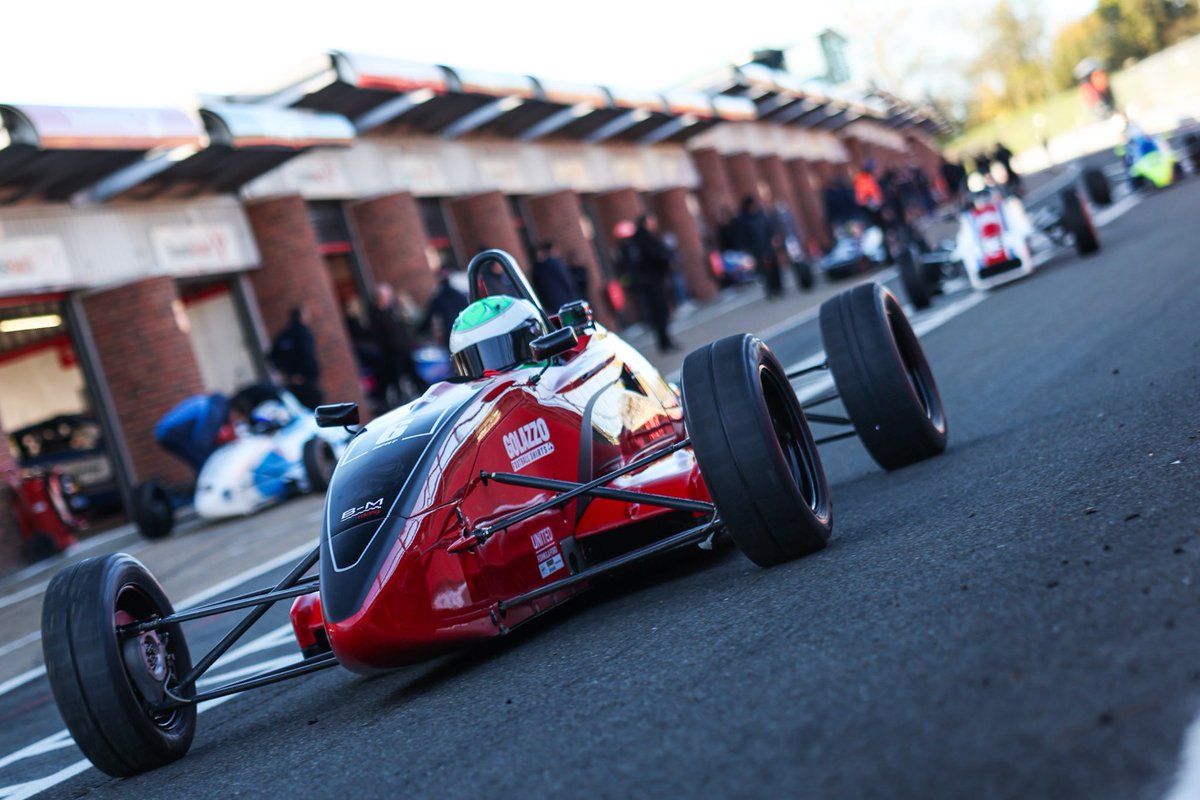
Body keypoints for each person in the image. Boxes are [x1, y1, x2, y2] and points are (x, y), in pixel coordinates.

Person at [615, 216, 677, 352]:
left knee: (657, 311)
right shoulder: (644, 240)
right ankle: (664, 341)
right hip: (653, 281)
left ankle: (664, 341)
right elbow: (656, 256)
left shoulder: (635, 243)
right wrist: (667, 262)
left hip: (647, 281)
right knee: (660, 311)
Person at [368, 283, 427, 408]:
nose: (390, 298)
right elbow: (382, 337)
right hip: (392, 354)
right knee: (396, 380)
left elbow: (408, 324)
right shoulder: (377, 315)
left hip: (404, 350)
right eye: (387, 295)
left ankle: (423, 393)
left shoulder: (394, 311)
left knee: (413, 374)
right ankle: (399, 401)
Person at [267, 306, 321, 409]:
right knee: (315, 410)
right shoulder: (303, 333)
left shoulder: (283, 334)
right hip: (306, 380)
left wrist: (283, 373)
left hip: (291, 382)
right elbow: (307, 354)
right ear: (302, 317)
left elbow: (271, 356)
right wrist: (303, 374)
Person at [735, 196, 782, 298]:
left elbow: (769, 228)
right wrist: (749, 250)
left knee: (774, 268)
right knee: (764, 271)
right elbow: (743, 237)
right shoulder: (744, 220)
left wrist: (774, 238)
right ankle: (770, 290)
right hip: (757, 250)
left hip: (768, 246)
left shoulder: (761, 215)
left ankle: (778, 287)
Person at [416, 266, 470, 348]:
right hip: (465, 331)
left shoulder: (439, 298)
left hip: (451, 334)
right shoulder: (460, 296)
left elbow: (428, 317)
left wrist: (419, 331)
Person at [531, 240, 580, 313]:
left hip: (550, 305)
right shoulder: (555, 264)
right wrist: (574, 296)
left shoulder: (536, 269)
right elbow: (566, 281)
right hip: (565, 300)